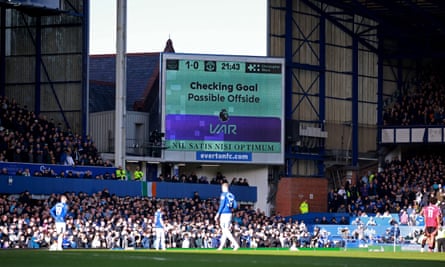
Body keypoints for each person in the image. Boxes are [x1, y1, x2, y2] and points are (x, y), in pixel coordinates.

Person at [215, 182, 239, 250]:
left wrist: (218, 214)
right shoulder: (232, 195)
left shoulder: (223, 194)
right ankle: (221, 246)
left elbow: (222, 205)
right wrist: (230, 208)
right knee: (225, 230)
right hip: (229, 213)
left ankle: (235, 244)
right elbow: (235, 205)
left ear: (224, 188)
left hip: (224, 214)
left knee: (225, 229)